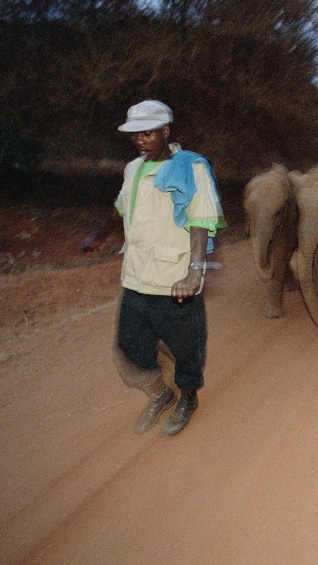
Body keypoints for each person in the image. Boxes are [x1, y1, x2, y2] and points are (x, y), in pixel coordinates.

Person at [83, 100, 226, 436]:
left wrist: (194, 272)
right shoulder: (133, 168)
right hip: (136, 275)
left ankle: (188, 397)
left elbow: (201, 220)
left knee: (187, 347)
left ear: (165, 131)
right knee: (129, 345)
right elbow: (121, 209)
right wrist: (99, 236)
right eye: (135, 135)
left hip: (173, 279)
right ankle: (161, 394)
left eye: (147, 133)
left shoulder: (190, 167)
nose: (140, 140)